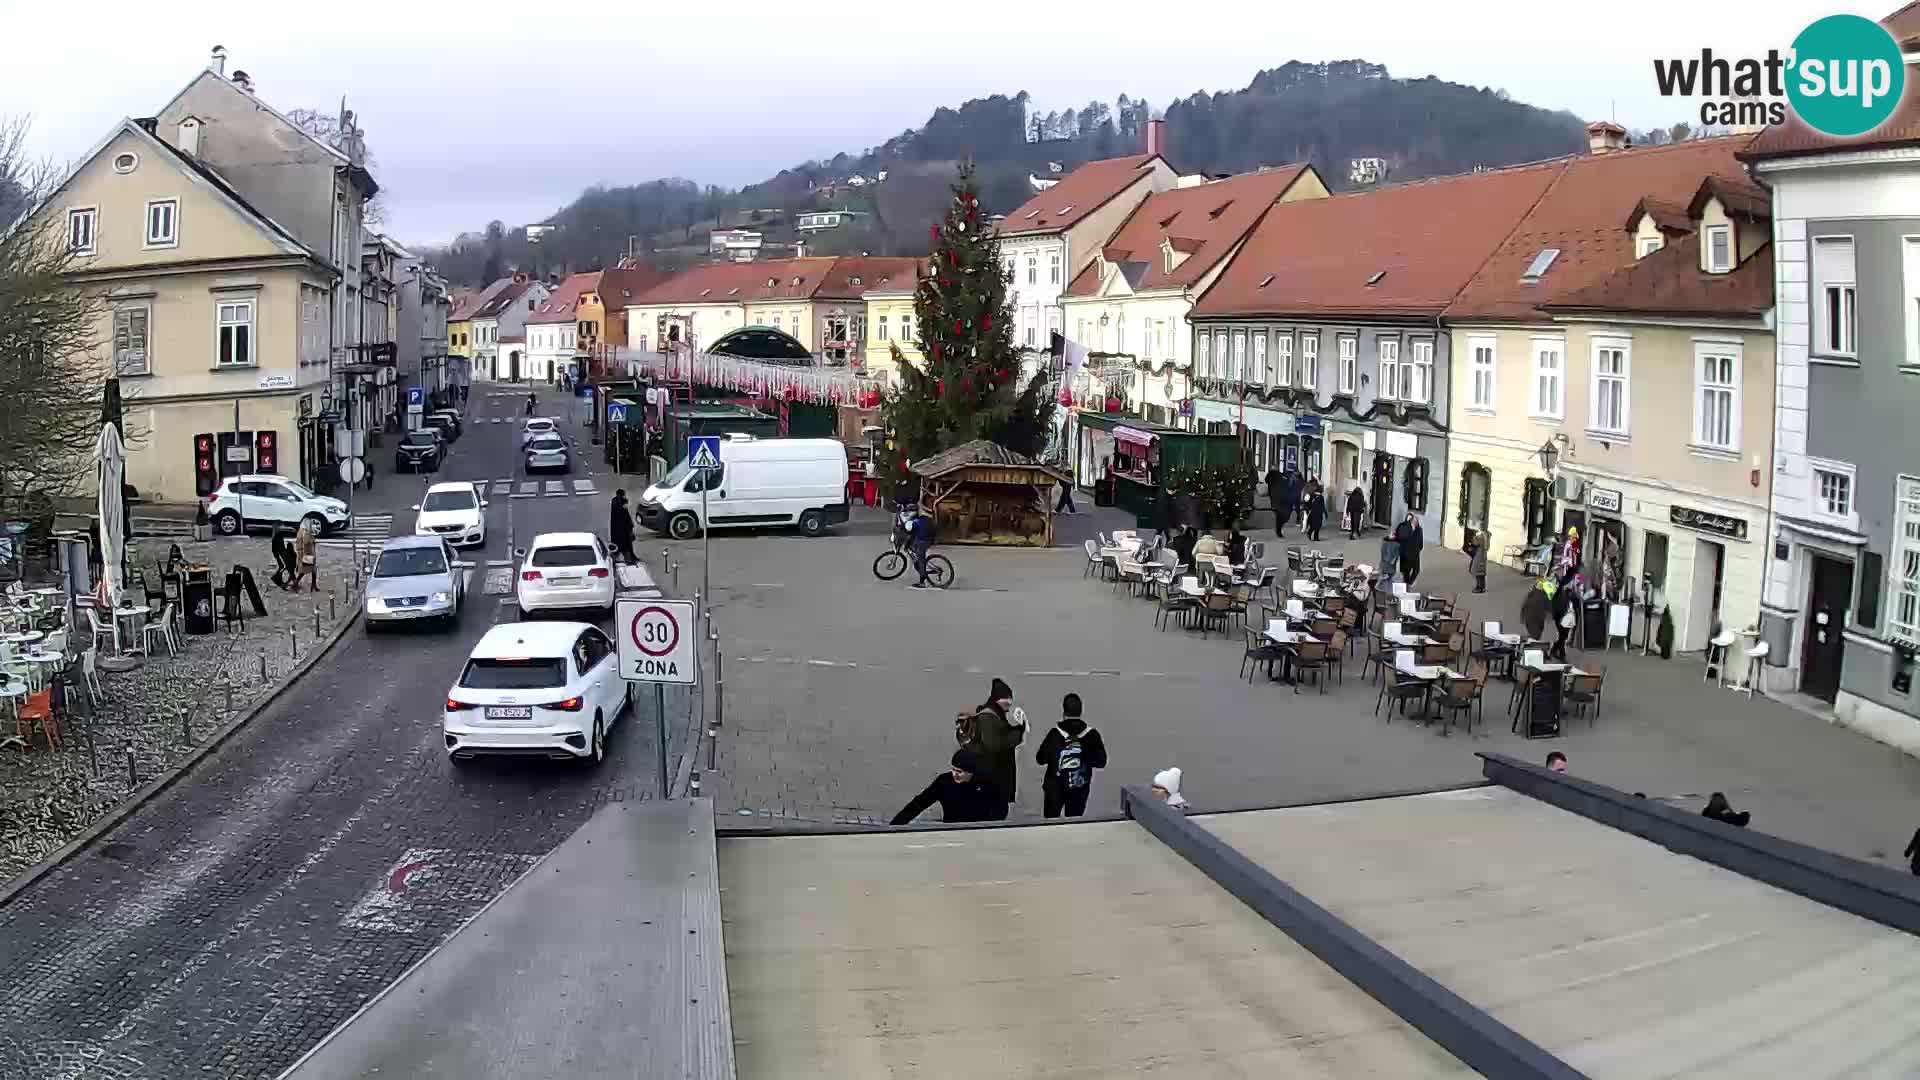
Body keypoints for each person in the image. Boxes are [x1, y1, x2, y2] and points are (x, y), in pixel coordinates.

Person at [1036, 693, 1107, 818]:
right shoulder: (1092, 734)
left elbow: (1040, 759)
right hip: (1079, 789)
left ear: (1064, 711)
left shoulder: (1055, 734)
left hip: (1054, 789)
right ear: (1081, 711)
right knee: (1074, 824)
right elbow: (1101, 762)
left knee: (1050, 825)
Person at [890, 749, 1007, 825]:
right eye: (953, 769)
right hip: (951, 830)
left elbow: (1001, 808)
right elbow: (920, 803)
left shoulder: (987, 783)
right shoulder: (945, 782)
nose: (955, 774)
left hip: (978, 831)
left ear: (972, 772)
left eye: (960, 772)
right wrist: (896, 825)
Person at [961, 678, 1025, 806]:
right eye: (1006, 698)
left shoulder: (996, 714)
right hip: (991, 779)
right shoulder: (988, 717)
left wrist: (1016, 729)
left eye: (1010, 698)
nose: (1009, 702)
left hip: (993, 777)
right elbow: (993, 745)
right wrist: (1017, 734)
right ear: (997, 699)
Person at [1391, 511, 1425, 588]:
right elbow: (1399, 537)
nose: (1415, 521)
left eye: (1416, 520)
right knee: (1406, 572)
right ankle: (1406, 585)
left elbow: (1421, 542)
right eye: (1414, 519)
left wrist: (1419, 548)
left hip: (1414, 553)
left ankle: (1409, 583)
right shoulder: (1402, 527)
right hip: (1405, 553)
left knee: (1416, 570)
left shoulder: (1419, 529)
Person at [1549, 571, 1577, 662]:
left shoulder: (1570, 592)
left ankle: (1553, 649)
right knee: (1562, 635)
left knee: (1563, 636)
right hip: (1560, 616)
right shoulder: (1559, 591)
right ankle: (1562, 655)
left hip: (1569, 616)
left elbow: (1575, 600)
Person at [907, 507, 937, 588]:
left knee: (921, 561)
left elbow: (910, 534)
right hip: (930, 540)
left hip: (922, 542)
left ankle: (922, 583)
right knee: (917, 551)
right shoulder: (925, 519)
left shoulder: (914, 522)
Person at [610, 489, 636, 563]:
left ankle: (613, 559)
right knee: (626, 545)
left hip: (615, 529)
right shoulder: (623, 501)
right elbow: (626, 515)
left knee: (616, 545)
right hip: (624, 529)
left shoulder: (614, 501)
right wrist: (631, 525)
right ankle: (628, 560)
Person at [293, 519, 319, 593]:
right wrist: (312, 538)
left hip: (304, 554)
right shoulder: (305, 532)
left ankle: (313, 585)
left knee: (311, 570)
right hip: (307, 555)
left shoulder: (301, 531)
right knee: (306, 571)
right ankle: (296, 584)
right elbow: (307, 541)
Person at [269, 525, 296, 590]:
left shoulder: (276, 536)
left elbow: (275, 549)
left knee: (286, 568)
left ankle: (282, 580)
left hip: (281, 554)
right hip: (282, 554)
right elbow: (279, 547)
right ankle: (279, 580)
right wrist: (280, 556)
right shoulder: (278, 536)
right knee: (288, 568)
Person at [1467, 528, 1489, 594]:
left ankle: (1480, 587)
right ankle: (1481, 586)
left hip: (1479, 555)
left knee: (1478, 572)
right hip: (1481, 555)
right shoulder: (1485, 534)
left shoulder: (1481, 535)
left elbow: (1476, 543)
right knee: (1480, 572)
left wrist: (1473, 540)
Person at [1265, 464, 1285, 536]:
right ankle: (1278, 530)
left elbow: (1266, 480)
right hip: (1279, 495)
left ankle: (1274, 508)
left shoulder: (1269, 474)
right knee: (1279, 513)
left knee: (1274, 505)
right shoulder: (1280, 475)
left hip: (1272, 493)